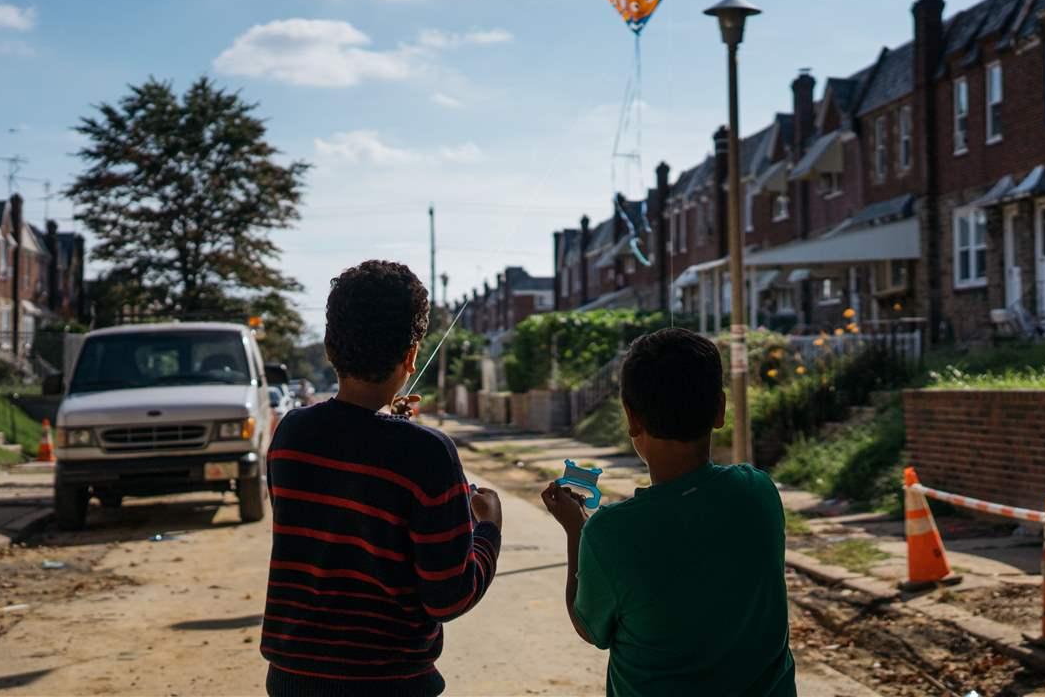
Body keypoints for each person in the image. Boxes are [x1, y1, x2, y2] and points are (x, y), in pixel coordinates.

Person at [262, 260, 502, 695]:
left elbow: (336, 510)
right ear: (410, 356)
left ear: (330, 348)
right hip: (392, 682)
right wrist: (488, 530)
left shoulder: (290, 435)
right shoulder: (428, 454)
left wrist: (388, 429)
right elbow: (449, 597)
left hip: (292, 680)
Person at [540, 327, 796, 696]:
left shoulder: (610, 534)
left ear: (632, 418)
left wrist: (577, 531)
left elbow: (590, 628)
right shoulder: (758, 491)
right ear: (720, 409)